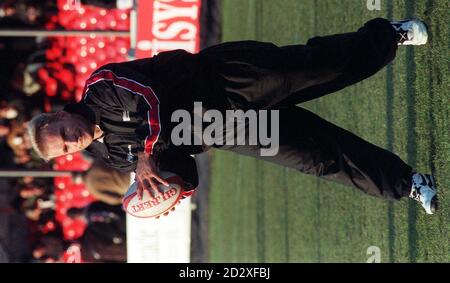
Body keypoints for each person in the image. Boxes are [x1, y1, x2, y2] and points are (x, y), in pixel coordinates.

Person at [28, 18, 438, 214]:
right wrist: (173, 189)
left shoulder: (99, 87)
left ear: (60, 114)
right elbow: (182, 163)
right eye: (64, 149)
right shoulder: (113, 157)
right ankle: (409, 184)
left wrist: (147, 153)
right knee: (317, 157)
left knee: (324, 66)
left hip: (227, 80)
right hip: (228, 128)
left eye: (62, 132)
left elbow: (148, 97)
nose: (71, 141)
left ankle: (390, 35)